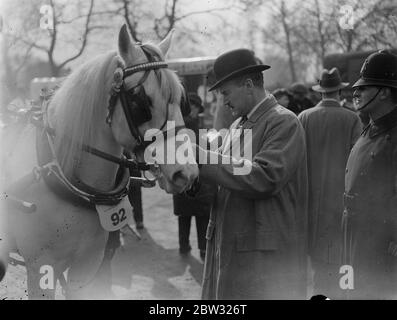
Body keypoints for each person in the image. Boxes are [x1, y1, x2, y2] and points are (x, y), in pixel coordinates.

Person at [196, 49, 308, 299]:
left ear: (248, 85)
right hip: (234, 249)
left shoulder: (283, 122)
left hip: (259, 258)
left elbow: (264, 177)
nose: (223, 101)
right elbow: (224, 178)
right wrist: (189, 175)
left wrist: (202, 159)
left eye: (225, 92)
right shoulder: (237, 125)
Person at [298, 68, 362, 299]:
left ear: (321, 92)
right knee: (341, 264)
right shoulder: (352, 118)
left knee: (317, 267)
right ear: (339, 90)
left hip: (311, 200)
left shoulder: (304, 117)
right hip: (341, 201)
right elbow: (357, 161)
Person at [343, 49, 397, 299]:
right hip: (355, 237)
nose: (356, 92)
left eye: (365, 87)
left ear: (385, 92)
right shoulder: (369, 127)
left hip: (382, 248)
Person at [173, 93, 215, 260]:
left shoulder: (177, 126)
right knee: (199, 216)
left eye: (196, 107)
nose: (193, 110)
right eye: (191, 106)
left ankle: (184, 246)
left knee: (186, 216)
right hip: (197, 177)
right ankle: (203, 250)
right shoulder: (194, 126)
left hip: (181, 176)